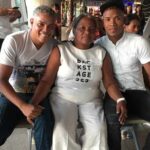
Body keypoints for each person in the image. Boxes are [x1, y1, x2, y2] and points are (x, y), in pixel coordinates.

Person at [30, 14, 127, 150]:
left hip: (91, 100)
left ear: (96, 32)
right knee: (62, 132)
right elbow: (46, 81)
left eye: (91, 29)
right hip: (62, 98)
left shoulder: (100, 53)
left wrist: (120, 99)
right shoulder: (61, 50)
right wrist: (34, 102)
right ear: (74, 30)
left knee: (98, 131)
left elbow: (109, 82)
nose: (87, 32)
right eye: (82, 28)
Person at [0, 5, 57, 150]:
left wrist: (32, 103)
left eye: (50, 26)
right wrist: (23, 106)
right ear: (31, 22)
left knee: (45, 126)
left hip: (39, 94)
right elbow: (1, 79)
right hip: (12, 93)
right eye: (41, 24)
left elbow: (46, 80)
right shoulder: (14, 40)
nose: (46, 30)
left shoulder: (54, 46)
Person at [95, 1, 150, 150]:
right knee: (111, 120)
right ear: (102, 22)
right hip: (114, 94)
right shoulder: (98, 45)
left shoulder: (139, 42)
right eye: (107, 19)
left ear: (124, 20)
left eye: (117, 18)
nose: (112, 23)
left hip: (137, 91)